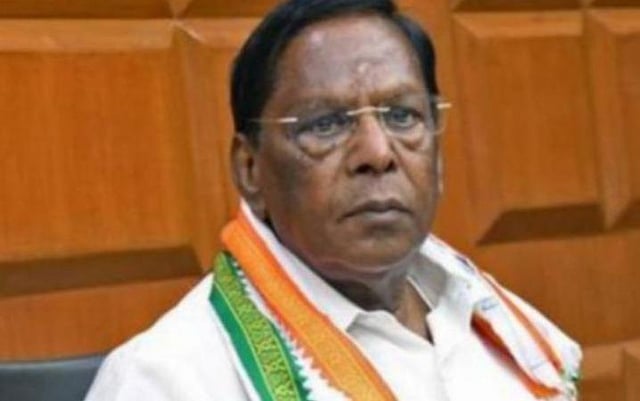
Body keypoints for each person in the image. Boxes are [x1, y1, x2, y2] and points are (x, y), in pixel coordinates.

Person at [85, 0, 582, 400]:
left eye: (403, 116)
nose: (377, 152)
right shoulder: (164, 381)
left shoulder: (499, 327)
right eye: (325, 124)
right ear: (250, 169)